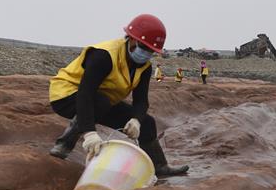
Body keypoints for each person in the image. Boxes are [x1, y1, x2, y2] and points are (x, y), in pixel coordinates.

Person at [47, 14, 189, 177]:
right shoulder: (104, 55)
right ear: (132, 38)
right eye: (144, 47)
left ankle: (160, 167)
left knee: (147, 122)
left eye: (151, 50)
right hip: (66, 95)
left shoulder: (144, 67)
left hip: (102, 101)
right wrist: (89, 133)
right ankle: (64, 145)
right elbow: (86, 93)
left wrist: (136, 120)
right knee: (101, 101)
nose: (146, 53)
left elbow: (141, 100)